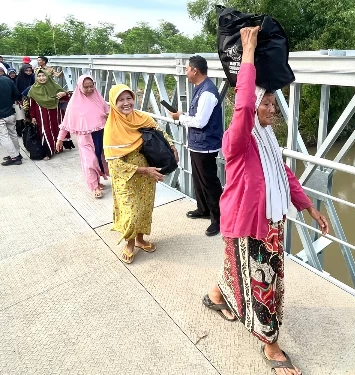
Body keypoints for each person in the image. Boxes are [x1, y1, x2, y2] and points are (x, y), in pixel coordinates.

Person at [203, 27, 329, 375]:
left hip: (268, 221)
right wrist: (248, 52)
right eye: (267, 103)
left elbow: (284, 175)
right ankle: (271, 344)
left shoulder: (268, 138)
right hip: (249, 222)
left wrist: (308, 206)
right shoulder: (237, 139)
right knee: (263, 283)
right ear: (253, 106)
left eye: (274, 103)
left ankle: (214, 296)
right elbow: (242, 104)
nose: (273, 109)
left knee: (236, 265)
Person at [103, 84, 179, 264]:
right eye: (121, 100)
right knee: (131, 212)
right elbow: (114, 164)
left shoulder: (143, 118)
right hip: (127, 178)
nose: (126, 103)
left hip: (147, 174)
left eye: (129, 98)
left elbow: (160, 132)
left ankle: (140, 239)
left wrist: (173, 147)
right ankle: (129, 243)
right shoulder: (112, 128)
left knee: (145, 207)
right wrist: (144, 170)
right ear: (114, 103)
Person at [168, 55, 223, 236]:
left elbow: (200, 121)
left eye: (186, 69)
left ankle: (218, 220)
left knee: (209, 182)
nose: (185, 72)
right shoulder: (200, 88)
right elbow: (198, 115)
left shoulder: (207, 92)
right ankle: (203, 209)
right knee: (199, 180)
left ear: (195, 70)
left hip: (206, 145)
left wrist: (180, 117)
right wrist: (184, 114)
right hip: (198, 144)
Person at [57, 75, 109, 199]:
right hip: (85, 137)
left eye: (92, 86)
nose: (90, 89)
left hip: (101, 135)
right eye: (86, 87)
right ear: (80, 87)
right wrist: (60, 139)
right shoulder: (74, 104)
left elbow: (109, 113)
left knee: (100, 159)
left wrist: (108, 116)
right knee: (90, 162)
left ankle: (97, 181)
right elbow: (66, 122)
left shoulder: (98, 98)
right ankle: (94, 186)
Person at [27, 69, 73, 160]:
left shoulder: (54, 85)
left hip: (56, 114)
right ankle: (48, 152)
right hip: (42, 115)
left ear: (47, 76)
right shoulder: (33, 89)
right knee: (45, 131)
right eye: (39, 76)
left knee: (57, 130)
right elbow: (32, 104)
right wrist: (32, 116)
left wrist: (63, 93)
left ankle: (58, 148)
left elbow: (66, 97)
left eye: (43, 76)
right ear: (36, 77)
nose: (41, 78)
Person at [0, 74, 23, 166]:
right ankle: (17, 153)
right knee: (13, 134)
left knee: (4, 137)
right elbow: (17, 94)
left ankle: (14, 157)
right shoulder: (7, 80)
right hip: (10, 112)